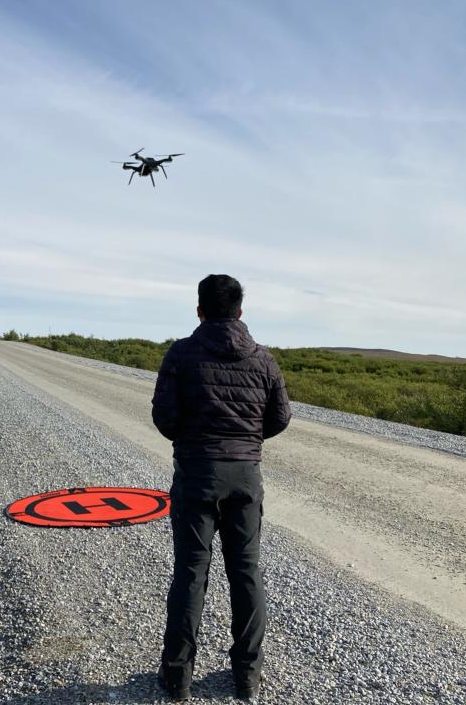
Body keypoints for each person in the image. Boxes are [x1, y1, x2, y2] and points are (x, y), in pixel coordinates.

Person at [152, 274, 291, 702]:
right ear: (240, 312)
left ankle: (177, 678)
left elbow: (164, 417)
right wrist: (247, 440)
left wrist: (193, 440)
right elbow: (280, 418)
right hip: (246, 475)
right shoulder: (264, 359)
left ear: (199, 310)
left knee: (191, 574)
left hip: (196, 474)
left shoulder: (181, 354)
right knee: (246, 573)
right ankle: (247, 677)